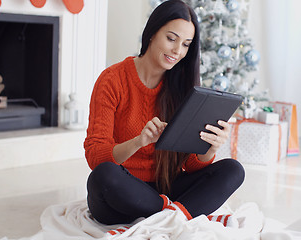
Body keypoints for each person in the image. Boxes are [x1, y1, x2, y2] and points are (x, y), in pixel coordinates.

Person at [84, 0, 245, 225]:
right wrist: (138, 141)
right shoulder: (112, 80)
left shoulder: (183, 88)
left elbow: (190, 165)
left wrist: (209, 149)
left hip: (167, 187)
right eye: (171, 39)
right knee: (103, 176)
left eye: (186, 44)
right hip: (124, 191)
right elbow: (95, 157)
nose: (177, 51)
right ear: (151, 33)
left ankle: (167, 215)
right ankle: (174, 214)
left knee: (233, 170)